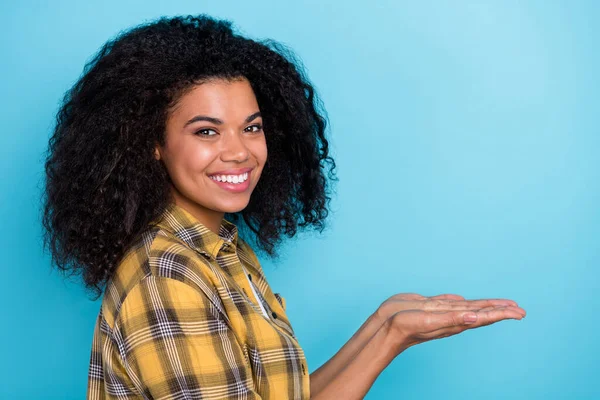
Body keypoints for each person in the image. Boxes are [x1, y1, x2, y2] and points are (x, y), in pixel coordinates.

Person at [41, 14, 527, 400]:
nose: (240, 151)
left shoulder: (221, 250)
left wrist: (387, 328)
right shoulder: (168, 278)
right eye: (206, 131)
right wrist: (388, 340)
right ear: (154, 143)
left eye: (251, 127)